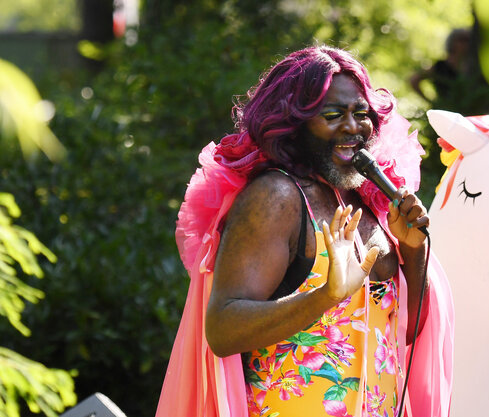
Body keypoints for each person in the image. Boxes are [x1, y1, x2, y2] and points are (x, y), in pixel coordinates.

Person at [155, 45, 454, 417]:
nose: (352, 127)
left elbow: (403, 333)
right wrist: (324, 296)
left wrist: (413, 252)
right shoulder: (277, 197)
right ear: (294, 123)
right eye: (333, 115)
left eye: (361, 114)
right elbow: (222, 329)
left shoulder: (372, 204)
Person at [410, 28, 472, 103]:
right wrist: (431, 102)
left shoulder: (474, 67)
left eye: (469, 40)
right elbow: (414, 80)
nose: (467, 44)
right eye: (462, 40)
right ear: (452, 42)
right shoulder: (440, 67)